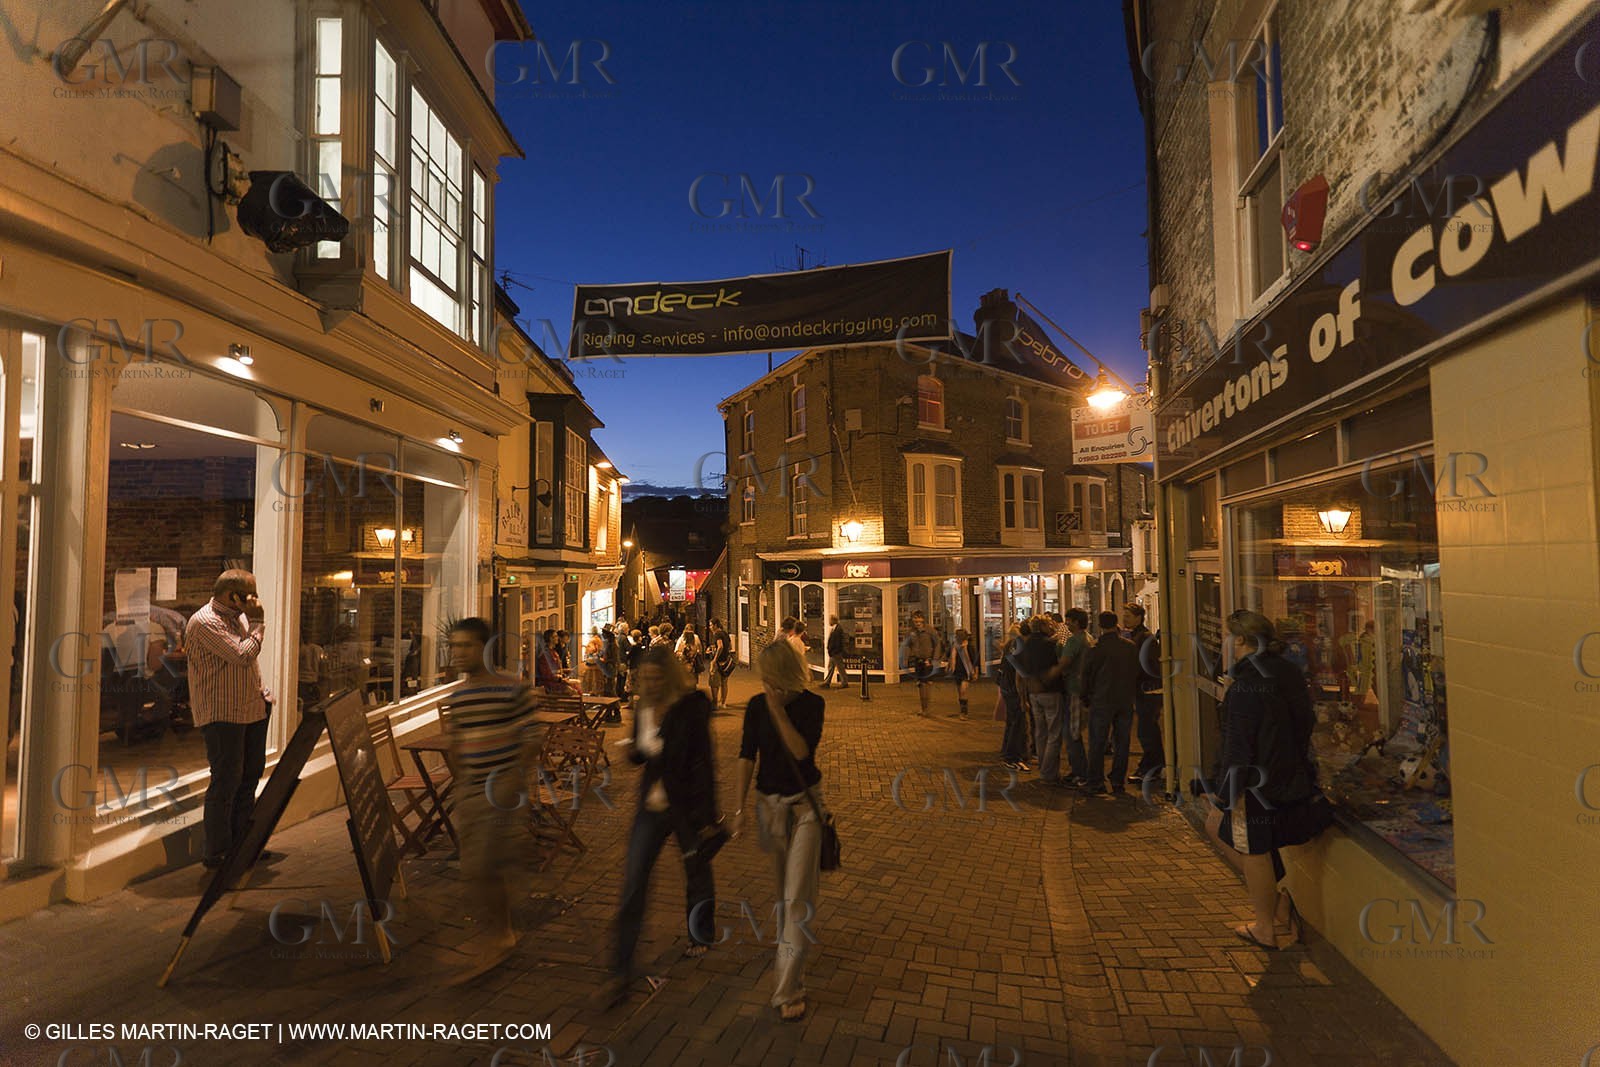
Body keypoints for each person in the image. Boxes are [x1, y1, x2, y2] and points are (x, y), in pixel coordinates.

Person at [1206, 610, 1328, 950]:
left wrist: (1227, 792)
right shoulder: (1286, 672)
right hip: (1286, 774)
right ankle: (1277, 908)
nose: (1226, 643)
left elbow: (1238, 743)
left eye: (1229, 637)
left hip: (1255, 783)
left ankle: (1267, 925)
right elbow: (1305, 721)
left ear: (1241, 640)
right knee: (1229, 834)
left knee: (1251, 848)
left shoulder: (1247, 684)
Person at [607, 645, 720, 1005]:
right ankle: (620, 966)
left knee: (696, 868)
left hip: (686, 804)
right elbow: (641, 755)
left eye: (656, 678)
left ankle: (699, 931)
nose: (650, 684)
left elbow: (704, 761)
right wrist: (632, 748)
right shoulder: (642, 707)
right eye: (645, 678)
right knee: (634, 879)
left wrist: (708, 814)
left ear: (668, 676)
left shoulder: (689, 709)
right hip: (651, 806)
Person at [731, 641, 825, 1023]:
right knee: (783, 892)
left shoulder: (811, 705)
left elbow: (802, 751)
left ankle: (789, 989)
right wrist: (737, 808)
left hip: (805, 807)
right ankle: (789, 945)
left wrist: (776, 710)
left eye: (771, 676)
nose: (766, 682)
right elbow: (745, 755)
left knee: (797, 897)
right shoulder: (755, 706)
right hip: (768, 804)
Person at [441, 618, 538, 978]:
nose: (458, 654)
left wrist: (511, 782)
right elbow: (457, 741)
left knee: (481, 868)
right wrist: (463, 781)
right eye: (454, 646)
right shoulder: (458, 696)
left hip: (500, 793)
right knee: (480, 869)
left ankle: (497, 938)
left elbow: (531, 738)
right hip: (471, 790)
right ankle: (502, 931)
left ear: (484, 648)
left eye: (466, 646)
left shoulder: (512, 689)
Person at [185, 570, 274, 870]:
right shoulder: (205, 622)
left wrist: (261, 692)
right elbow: (240, 654)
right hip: (222, 715)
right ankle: (218, 852)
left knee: (249, 778)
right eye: (249, 595)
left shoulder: (238, 617)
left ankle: (243, 846)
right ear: (231, 596)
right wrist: (259, 624)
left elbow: (245, 666)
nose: (255, 601)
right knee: (225, 782)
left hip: (250, 709)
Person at [1079, 610, 1143, 796]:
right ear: (1116, 625)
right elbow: (1136, 672)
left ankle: (1095, 781)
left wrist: (1085, 697)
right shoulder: (1129, 647)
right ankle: (1117, 781)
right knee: (1122, 742)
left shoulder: (1095, 648)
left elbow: (1086, 676)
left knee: (1098, 742)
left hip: (1101, 700)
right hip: (1124, 700)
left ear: (1100, 625)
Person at [1008, 618, 1065, 784]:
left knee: (1040, 732)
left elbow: (1019, 673)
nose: (1051, 626)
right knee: (1054, 733)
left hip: (1033, 693)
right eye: (1048, 624)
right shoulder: (1050, 645)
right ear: (1042, 627)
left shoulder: (1024, 646)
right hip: (1050, 691)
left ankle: (1043, 766)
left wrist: (1022, 697)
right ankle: (1048, 772)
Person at [1124, 605, 1165, 786]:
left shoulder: (1145, 638)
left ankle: (1152, 767)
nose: (1125, 619)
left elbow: (1146, 667)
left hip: (1148, 691)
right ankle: (1153, 765)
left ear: (1139, 617)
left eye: (1128, 616)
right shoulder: (1136, 636)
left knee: (1147, 731)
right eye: (1124, 616)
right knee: (1146, 730)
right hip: (1143, 690)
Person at [1058, 609, 1094, 785]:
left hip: (1074, 690)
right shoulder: (1088, 638)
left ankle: (1080, 772)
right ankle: (1079, 770)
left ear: (1077, 622)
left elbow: (1064, 662)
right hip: (1083, 690)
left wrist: (1051, 673)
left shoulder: (1074, 640)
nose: (1067, 624)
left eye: (1069, 621)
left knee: (1071, 732)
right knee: (1075, 731)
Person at [997, 623, 1028, 770]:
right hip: (1013, 688)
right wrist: (1022, 698)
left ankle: (1007, 751)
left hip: (1006, 686)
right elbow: (1018, 674)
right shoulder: (1020, 646)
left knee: (1012, 721)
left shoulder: (1010, 645)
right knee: (1017, 722)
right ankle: (1012, 756)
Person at [902, 611, 938, 717]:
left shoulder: (930, 631)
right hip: (918, 660)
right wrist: (905, 658)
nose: (917, 623)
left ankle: (926, 708)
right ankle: (923, 708)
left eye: (919, 621)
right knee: (921, 684)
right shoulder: (911, 632)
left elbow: (938, 644)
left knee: (926, 684)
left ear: (923, 620)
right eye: (915, 621)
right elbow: (907, 646)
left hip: (928, 660)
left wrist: (935, 659)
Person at [536, 629, 581, 696]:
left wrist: (563, 672)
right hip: (549, 684)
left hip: (556, 681)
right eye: (556, 636)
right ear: (551, 638)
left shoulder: (553, 652)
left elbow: (556, 669)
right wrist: (560, 679)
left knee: (577, 686)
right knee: (573, 691)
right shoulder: (546, 654)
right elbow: (547, 674)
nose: (558, 638)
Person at [946, 628, 977, 720]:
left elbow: (975, 660)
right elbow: (950, 657)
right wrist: (949, 666)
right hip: (957, 671)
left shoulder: (969, 646)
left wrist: (975, 672)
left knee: (963, 690)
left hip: (966, 671)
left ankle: (964, 712)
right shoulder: (954, 646)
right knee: (960, 692)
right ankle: (962, 708)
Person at [707, 618, 735, 709]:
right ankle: (723, 703)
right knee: (724, 682)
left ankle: (715, 703)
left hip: (718, 663)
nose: (710, 627)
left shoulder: (717, 634)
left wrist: (714, 659)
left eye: (711, 625)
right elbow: (730, 647)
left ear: (715, 625)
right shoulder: (725, 633)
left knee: (714, 683)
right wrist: (711, 649)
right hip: (725, 662)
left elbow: (720, 646)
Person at [676, 623, 705, 689]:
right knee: (692, 680)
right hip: (692, 663)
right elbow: (700, 649)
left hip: (685, 662)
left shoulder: (681, 639)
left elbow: (676, 650)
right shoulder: (695, 637)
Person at [822, 616, 846, 688]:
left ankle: (844, 682)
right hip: (833, 652)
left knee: (839, 667)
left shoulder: (838, 629)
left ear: (833, 621)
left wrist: (833, 651)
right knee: (831, 667)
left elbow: (838, 642)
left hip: (836, 652)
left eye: (830, 620)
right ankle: (827, 682)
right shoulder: (835, 628)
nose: (829, 622)